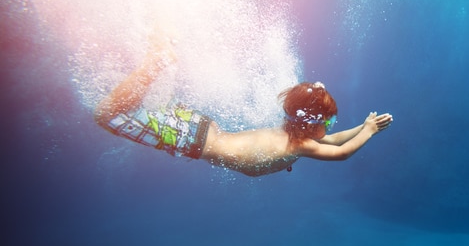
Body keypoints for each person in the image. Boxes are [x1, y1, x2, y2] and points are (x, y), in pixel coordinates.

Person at [93, 36, 393, 177]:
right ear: (309, 122)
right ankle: (156, 62)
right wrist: (366, 131)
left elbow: (331, 140)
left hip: (202, 130)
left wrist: (369, 129)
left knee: (145, 107)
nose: (329, 128)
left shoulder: (298, 137)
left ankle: (158, 61)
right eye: (327, 121)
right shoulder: (302, 146)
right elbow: (340, 153)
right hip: (194, 139)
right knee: (108, 115)